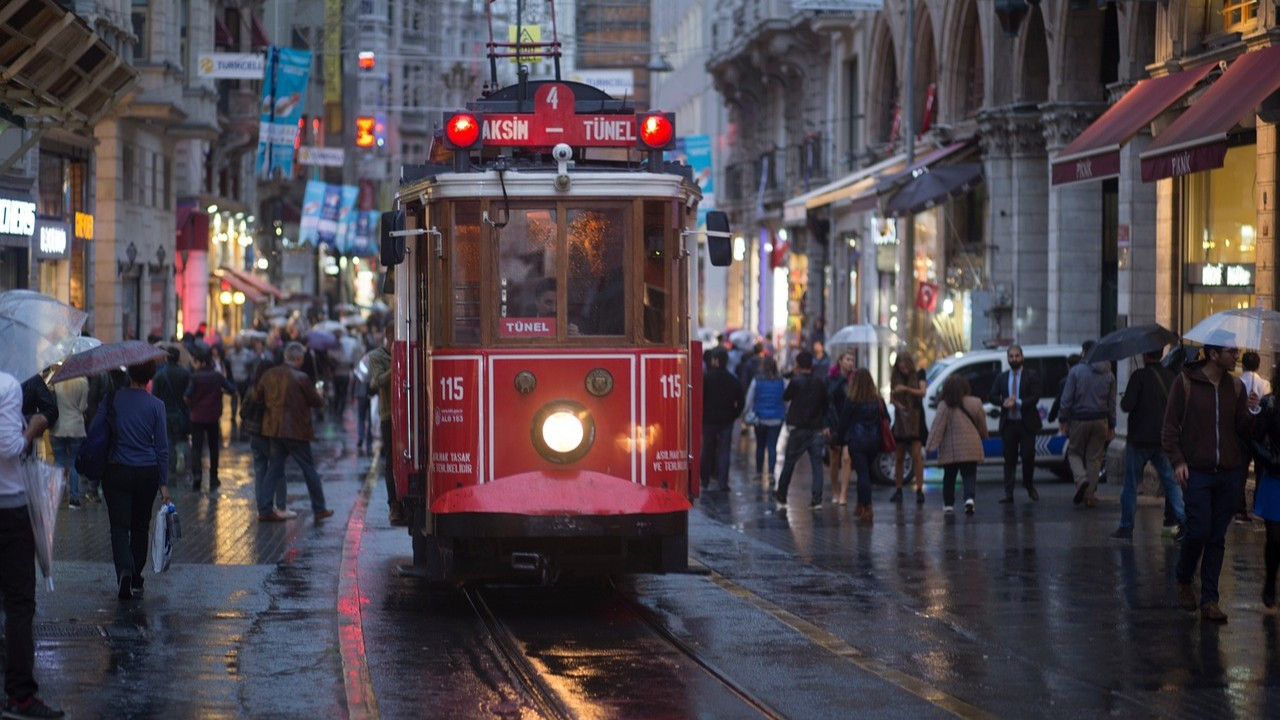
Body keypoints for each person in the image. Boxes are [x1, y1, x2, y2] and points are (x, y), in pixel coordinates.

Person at [1163, 342, 1259, 622]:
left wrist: (1252, 411)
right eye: (1231, 351)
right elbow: (1169, 430)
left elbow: (1244, 431)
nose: (1237, 356)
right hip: (1198, 472)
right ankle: (1183, 577)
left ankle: (1210, 601)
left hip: (1229, 472)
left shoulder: (1237, 388)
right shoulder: (1185, 384)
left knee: (1217, 538)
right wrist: (1178, 461)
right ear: (1213, 354)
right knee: (1198, 530)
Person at [0, 370, 65, 719]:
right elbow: (9, 448)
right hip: (10, 505)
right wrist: (34, 426)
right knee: (19, 603)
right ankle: (20, 696)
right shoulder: (8, 385)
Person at [95, 360, 171, 600]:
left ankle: (124, 570)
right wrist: (164, 483)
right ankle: (136, 573)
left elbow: (97, 429)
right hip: (146, 472)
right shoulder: (156, 405)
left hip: (116, 470)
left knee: (119, 527)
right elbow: (162, 447)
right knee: (140, 526)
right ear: (150, 378)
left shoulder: (112, 399)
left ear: (129, 375)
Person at [256, 342, 333, 522]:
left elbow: (257, 397)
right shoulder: (301, 378)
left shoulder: (269, 375)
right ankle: (319, 507)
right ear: (298, 359)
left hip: (274, 429)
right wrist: (319, 394)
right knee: (309, 468)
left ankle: (265, 507)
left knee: (274, 467)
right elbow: (316, 402)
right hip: (295, 430)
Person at [1112, 350, 1184, 541]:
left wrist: (1127, 395)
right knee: (1171, 483)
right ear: (1161, 354)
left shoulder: (1139, 376)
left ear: (1145, 355)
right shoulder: (1171, 377)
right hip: (1162, 439)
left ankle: (1126, 527)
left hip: (1138, 440)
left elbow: (1127, 405)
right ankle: (1184, 521)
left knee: (1130, 485)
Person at [1059, 340, 1116, 508]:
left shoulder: (1076, 371)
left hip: (1079, 419)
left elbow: (1066, 399)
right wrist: (1112, 424)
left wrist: (1063, 419)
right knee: (1094, 458)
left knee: (1074, 452)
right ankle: (1089, 496)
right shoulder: (1109, 374)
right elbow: (1112, 403)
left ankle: (1081, 479)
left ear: (1084, 352)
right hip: (1101, 421)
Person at [925, 375, 988, 515]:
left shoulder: (944, 405)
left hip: (950, 447)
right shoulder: (975, 402)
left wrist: (930, 446)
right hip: (971, 445)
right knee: (969, 475)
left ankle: (948, 505)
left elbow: (937, 428)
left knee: (949, 477)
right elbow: (981, 423)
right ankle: (969, 499)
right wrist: (984, 434)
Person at [774, 351, 829, 509]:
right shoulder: (819, 382)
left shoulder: (796, 381)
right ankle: (817, 499)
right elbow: (825, 404)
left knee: (789, 463)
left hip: (799, 429)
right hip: (816, 429)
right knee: (817, 466)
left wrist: (792, 376)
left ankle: (782, 496)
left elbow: (786, 396)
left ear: (798, 365)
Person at [988, 345, 1043, 504]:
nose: (1014, 359)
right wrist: (1003, 402)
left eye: (1017, 356)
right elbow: (992, 396)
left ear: (1022, 357)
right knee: (1009, 459)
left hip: (1027, 424)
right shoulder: (1002, 377)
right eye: (1011, 356)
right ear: (1008, 358)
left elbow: (1035, 396)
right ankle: (1008, 493)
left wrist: (1017, 402)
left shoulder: (1031, 375)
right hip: (1009, 424)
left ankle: (1028, 485)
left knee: (1027, 457)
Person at [1249, 365, 1280, 609]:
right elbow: (1254, 440)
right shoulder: (1270, 404)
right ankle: (1270, 581)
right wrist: (1272, 460)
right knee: (1275, 538)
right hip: (1276, 477)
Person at [835, 368, 882, 518]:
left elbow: (843, 422)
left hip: (857, 441)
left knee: (862, 474)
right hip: (874, 441)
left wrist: (840, 442)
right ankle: (860, 505)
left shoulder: (851, 400)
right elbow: (885, 417)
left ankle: (867, 506)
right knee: (865, 472)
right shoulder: (876, 399)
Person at [184, 352, 234, 491]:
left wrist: (192, 406)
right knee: (213, 448)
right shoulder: (217, 376)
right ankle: (213, 477)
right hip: (213, 417)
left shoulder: (195, 377)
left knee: (197, 448)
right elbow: (231, 389)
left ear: (201, 362)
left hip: (197, 417)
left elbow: (187, 396)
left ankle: (197, 474)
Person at [367, 333, 403, 524]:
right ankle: (394, 505)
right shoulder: (376, 357)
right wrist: (397, 364)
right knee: (391, 460)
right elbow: (379, 381)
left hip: (405, 412)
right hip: (389, 415)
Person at [700, 347, 743, 492]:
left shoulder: (706, 378)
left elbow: (700, 398)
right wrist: (733, 415)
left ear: (715, 361)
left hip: (708, 420)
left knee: (707, 449)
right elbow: (740, 401)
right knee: (725, 451)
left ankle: (704, 479)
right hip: (726, 420)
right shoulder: (732, 379)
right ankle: (722, 482)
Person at [151, 349, 192, 489]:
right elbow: (189, 395)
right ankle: (180, 453)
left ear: (167, 358)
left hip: (164, 413)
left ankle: (171, 465)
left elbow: (154, 396)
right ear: (179, 357)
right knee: (180, 437)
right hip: (180, 413)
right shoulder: (185, 373)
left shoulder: (159, 375)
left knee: (167, 440)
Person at [890, 351, 927, 505]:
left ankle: (919, 489)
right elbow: (892, 397)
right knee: (899, 456)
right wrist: (897, 404)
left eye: (905, 367)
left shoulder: (919, 374)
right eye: (901, 367)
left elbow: (922, 392)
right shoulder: (895, 377)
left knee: (917, 455)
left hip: (916, 417)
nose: (903, 370)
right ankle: (898, 489)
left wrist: (904, 389)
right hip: (901, 418)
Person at [1239, 350, 1271, 524]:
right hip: (1260, 433)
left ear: (1242, 365)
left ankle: (1240, 509)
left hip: (1243, 430)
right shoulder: (1265, 384)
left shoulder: (1237, 382)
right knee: (1260, 470)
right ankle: (1258, 506)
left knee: (1241, 471)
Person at [49, 375, 89, 507]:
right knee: (73, 463)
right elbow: (83, 407)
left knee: (59, 462)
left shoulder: (56, 380)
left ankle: (55, 497)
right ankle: (74, 498)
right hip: (76, 427)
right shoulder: (83, 381)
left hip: (57, 427)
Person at [743, 356, 785, 479]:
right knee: (772, 446)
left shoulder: (757, 380)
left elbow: (749, 398)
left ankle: (759, 472)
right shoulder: (781, 380)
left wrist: (745, 412)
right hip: (777, 418)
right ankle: (771, 473)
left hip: (760, 418)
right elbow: (786, 399)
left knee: (760, 446)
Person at [824, 351, 856, 502]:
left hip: (849, 424)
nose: (850, 362)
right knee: (834, 460)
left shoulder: (855, 380)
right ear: (840, 361)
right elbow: (826, 401)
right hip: (834, 423)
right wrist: (825, 424)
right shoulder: (831, 379)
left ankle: (843, 493)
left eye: (852, 360)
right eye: (847, 359)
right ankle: (835, 491)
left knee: (847, 458)